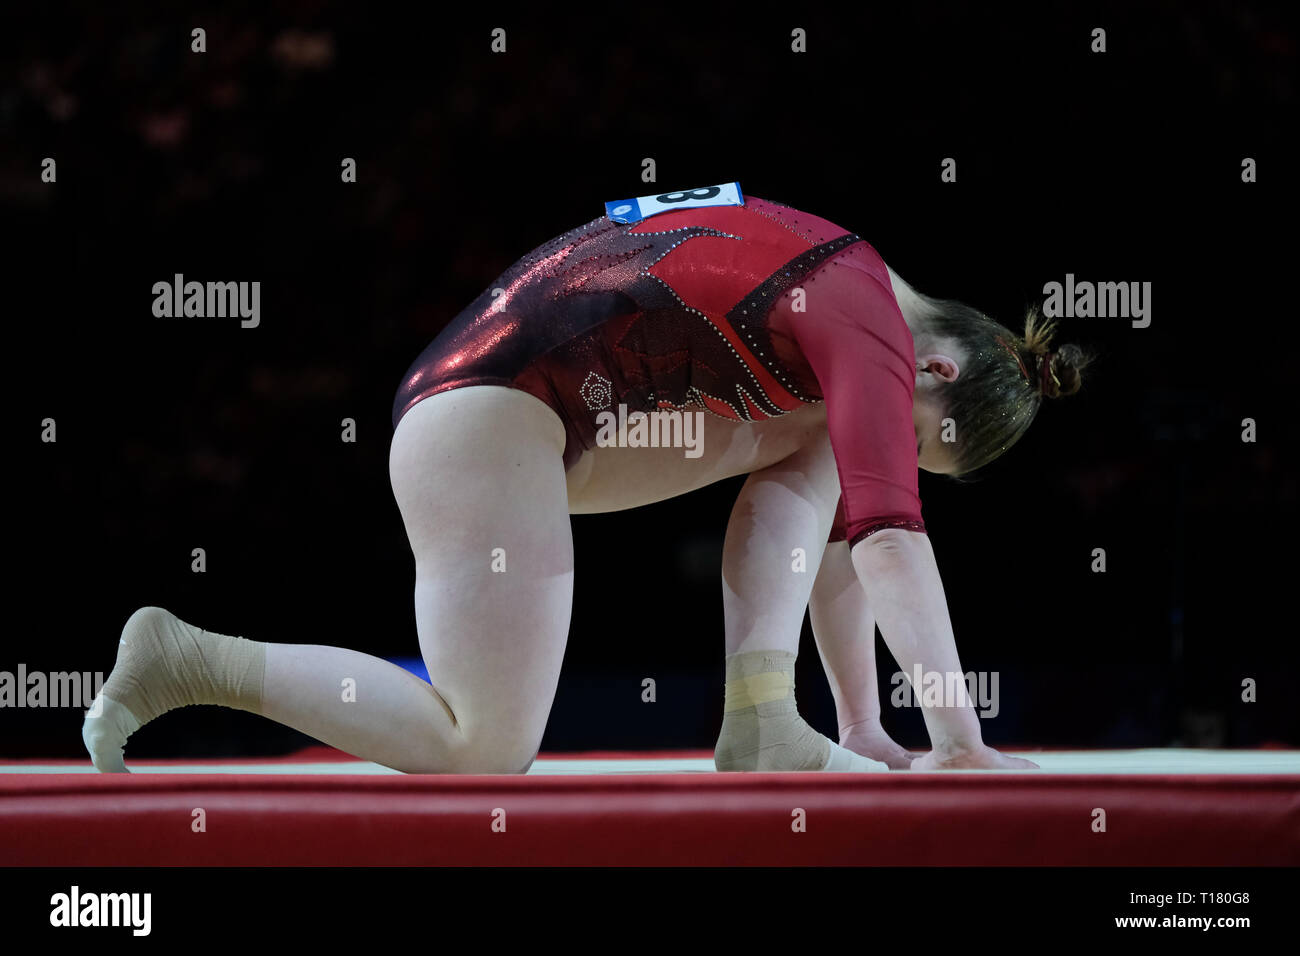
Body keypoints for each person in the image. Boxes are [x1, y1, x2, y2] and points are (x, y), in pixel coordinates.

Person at [83, 192, 1084, 774]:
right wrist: (960, 738)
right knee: (483, 747)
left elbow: (836, 525)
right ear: (940, 371)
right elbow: (889, 533)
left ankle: (762, 712)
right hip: (487, 420)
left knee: (814, 440)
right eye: (916, 445)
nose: (891, 459)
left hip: (543, 411)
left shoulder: (849, 285)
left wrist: (866, 726)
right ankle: (191, 656)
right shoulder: (867, 318)